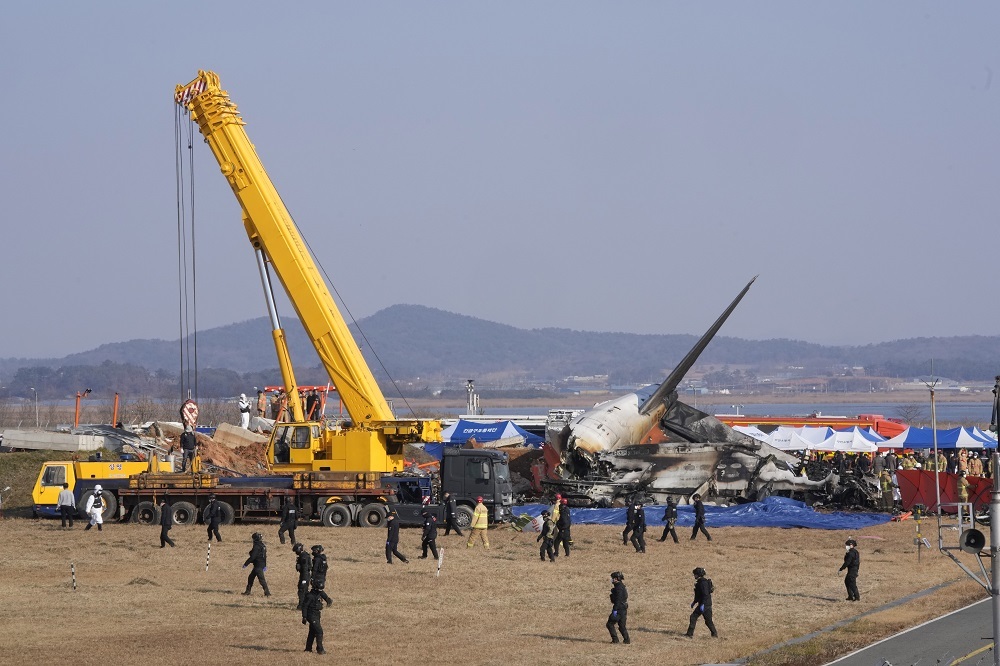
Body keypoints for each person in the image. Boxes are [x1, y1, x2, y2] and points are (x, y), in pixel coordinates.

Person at [685, 567, 718, 638]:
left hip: (704, 604)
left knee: (693, 617)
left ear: (698, 574)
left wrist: (702, 604)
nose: (694, 575)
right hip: (707, 604)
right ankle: (714, 634)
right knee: (708, 621)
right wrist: (694, 602)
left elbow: (705, 594)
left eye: (695, 574)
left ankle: (689, 634)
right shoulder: (702, 582)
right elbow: (699, 594)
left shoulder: (702, 583)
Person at [242, 532, 271, 596]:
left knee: (261, 580)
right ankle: (247, 591)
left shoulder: (256, 546)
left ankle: (267, 593)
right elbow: (264, 556)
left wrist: (246, 564)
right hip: (260, 564)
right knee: (250, 578)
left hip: (258, 565)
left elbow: (253, 557)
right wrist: (264, 565)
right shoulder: (263, 546)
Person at [606, 571, 630, 644]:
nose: (612, 580)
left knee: (609, 624)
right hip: (624, 608)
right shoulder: (622, 586)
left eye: (613, 578)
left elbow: (618, 600)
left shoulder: (618, 588)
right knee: (622, 626)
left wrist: (615, 610)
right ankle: (627, 640)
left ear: (616, 579)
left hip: (619, 609)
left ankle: (615, 640)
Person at [301, 585, 326, 654]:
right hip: (311, 616)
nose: (321, 591)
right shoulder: (310, 596)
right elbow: (304, 606)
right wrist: (304, 617)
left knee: (312, 632)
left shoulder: (318, 594)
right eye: (319, 590)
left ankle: (308, 649)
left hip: (317, 615)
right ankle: (320, 649)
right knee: (319, 631)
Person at [293, 543, 312, 611]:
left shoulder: (303, 556)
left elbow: (305, 568)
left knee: (302, 591)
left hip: (305, 575)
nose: (296, 553)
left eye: (296, 551)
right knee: (305, 591)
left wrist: (304, 579)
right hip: (304, 575)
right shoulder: (303, 555)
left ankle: (301, 605)